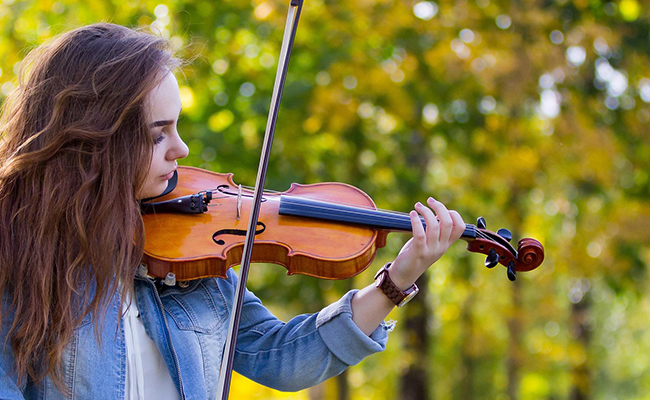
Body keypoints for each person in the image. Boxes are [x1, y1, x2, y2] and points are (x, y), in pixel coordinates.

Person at [0, 23, 465, 399]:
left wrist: (395, 282)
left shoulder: (193, 258)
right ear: (94, 138)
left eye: (176, 127)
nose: (180, 148)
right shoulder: (21, 258)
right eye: (157, 133)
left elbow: (282, 358)